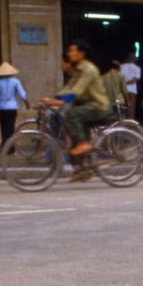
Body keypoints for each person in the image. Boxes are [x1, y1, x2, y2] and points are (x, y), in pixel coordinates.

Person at [40, 40, 110, 182]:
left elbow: (77, 90)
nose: (70, 53)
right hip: (85, 107)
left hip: (97, 106)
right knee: (72, 137)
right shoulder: (78, 70)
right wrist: (50, 99)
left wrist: (62, 101)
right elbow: (69, 88)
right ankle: (83, 170)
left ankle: (84, 144)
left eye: (73, 51)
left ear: (81, 54)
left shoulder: (89, 70)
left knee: (72, 114)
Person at [0, 62, 29, 150]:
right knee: (11, 127)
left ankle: (4, 147)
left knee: (3, 128)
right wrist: (27, 103)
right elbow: (22, 94)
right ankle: (11, 148)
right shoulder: (16, 81)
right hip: (12, 108)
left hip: (2, 108)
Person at [119, 54, 141, 118]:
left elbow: (119, 78)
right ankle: (130, 122)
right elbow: (135, 80)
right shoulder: (137, 68)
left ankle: (122, 121)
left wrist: (123, 83)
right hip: (132, 90)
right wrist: (127, 83)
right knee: (131, 108)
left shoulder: (121, 66)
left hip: (123, 90)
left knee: (123, 107)